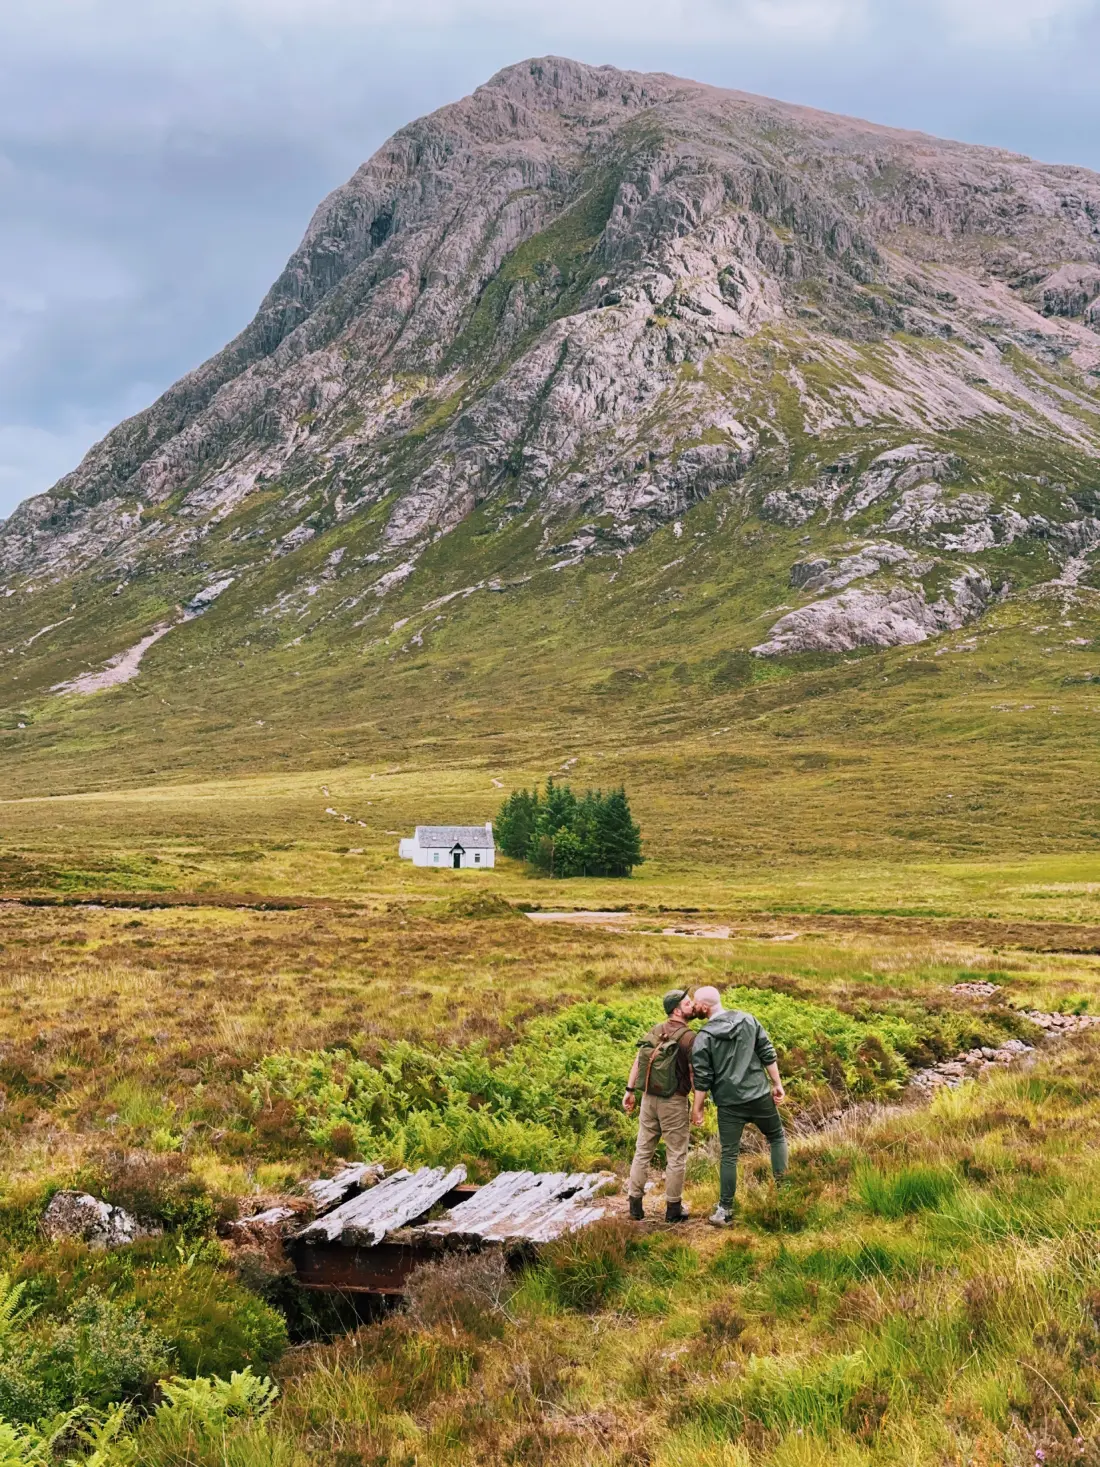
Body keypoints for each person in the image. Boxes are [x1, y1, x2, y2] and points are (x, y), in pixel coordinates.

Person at [689, 984, 788, 1226]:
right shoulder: (748, 1019)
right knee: (776, 1137)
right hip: (758, 1095)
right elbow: (767, 1052)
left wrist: (697, 1107)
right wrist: (777, 1084)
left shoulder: (703, 1037)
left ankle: (725, 1210)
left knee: (730, 1155)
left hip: (729, 1103)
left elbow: (703, 1077)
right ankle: (785, 1194)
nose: (694, 1007)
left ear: (705, 1006)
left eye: (695, 1003)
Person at [622, 988, 698, 1223]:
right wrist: (698, 1104)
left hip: (648, 1099)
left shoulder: (656, 1029)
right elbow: (694, 1073)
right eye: (687, 1003)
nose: (692, 1005)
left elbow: (639, 1059)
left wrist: (629, 1090)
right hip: (674, 1101)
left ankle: (634, 1205)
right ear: (677, 1010)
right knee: (676, 1154)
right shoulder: (689, 1037)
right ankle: (673, 1209)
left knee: (643, 1150)